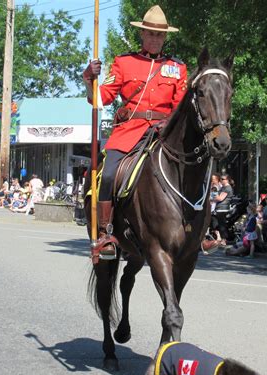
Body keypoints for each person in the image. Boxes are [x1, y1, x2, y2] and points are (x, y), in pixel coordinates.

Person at [83, 5, 194, 257]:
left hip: (165, 134)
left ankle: (198, 229)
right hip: (130, 132)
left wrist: (170, 125)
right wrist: (88, 78)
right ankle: (105, 233)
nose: (155, 39)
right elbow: (100, 99)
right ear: (142, 35)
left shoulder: (178, 68)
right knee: (109, 174)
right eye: (151, 33)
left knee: (195, 169)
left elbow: (181, 107)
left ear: (165, 37)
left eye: (160, 34)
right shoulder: (124, 63)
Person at [213, 174, 234, 246]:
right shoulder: (223, 187)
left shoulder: (227, 188)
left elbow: (219, 198)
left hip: (222, 209)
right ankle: (221, 238)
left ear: (227, 180)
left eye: (222, 179)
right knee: (218, 224)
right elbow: (215, 198)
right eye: (221, 179)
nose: (221, 180)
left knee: (222, 225)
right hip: (219, 208)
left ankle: (224, 240)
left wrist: (213, 193)